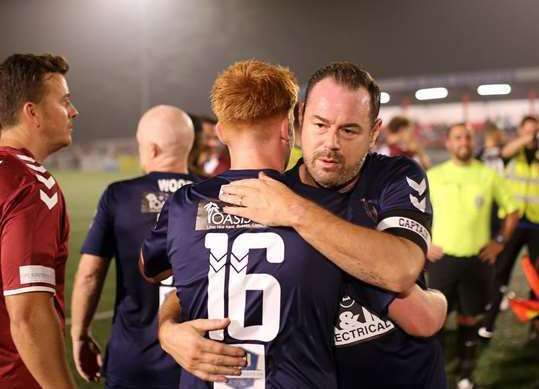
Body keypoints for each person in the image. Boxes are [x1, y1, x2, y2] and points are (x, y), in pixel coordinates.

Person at [157, 62, 448, 388]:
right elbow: (210, 277)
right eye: (320, 125)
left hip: (407, 377)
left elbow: (400, 273)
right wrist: (168, 330)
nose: (331, 143)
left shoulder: (391, 177)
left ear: (374, 133)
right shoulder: (269, 194)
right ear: (298, 119)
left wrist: (297, 212)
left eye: (349, 130)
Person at [70, 105, 197, 388]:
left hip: (133, 362)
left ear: (151, 149)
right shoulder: (210, 194)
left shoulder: (119, 195)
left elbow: (89, 275)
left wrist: (80, 335)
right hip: (193, 362)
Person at [0, 53, 78, 388]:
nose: (73, 111)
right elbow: (29, 312)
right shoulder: (30, 185)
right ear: (32, 113)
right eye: (64, 101)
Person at [426, 123, 519, 389]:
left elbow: (512, 211)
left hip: (477, 261)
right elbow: (415, 212)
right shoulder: (433, 175)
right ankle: (437, 370)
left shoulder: (489, 176)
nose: (463, 141)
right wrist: (425, 242)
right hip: (442, 259)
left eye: (467, 137)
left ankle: (466, 371)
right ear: (448, 143)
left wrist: (499, 242)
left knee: (470, 317)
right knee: (436, 318)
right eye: (457, 137)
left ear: (473, 141)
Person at [480, 115, 539, 341]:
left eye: (535, 131)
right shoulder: (513, 152)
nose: (532, 135)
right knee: (500, 272)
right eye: (528, 131)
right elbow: (504, 152)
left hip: (537, 225)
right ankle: (489, 323)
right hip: (513, 222)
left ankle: (535, 324)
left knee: (536, 278)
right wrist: (526, 139)